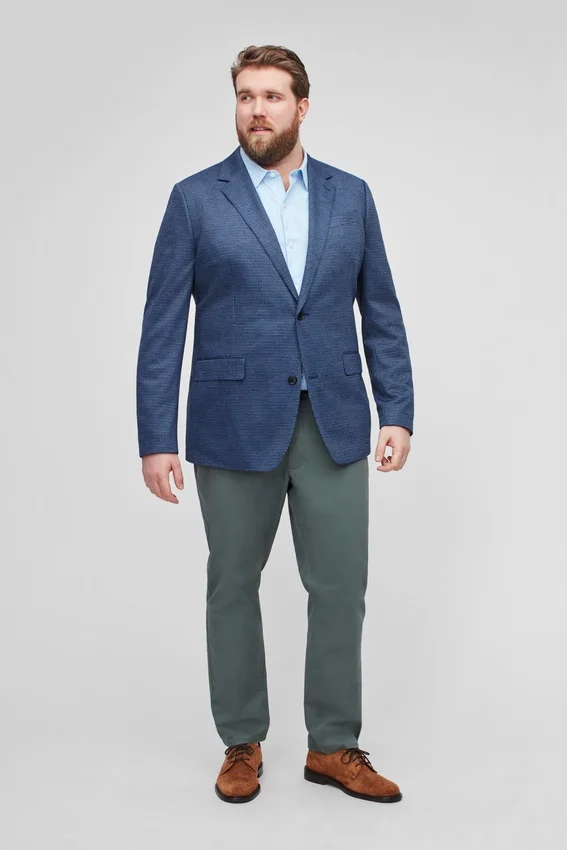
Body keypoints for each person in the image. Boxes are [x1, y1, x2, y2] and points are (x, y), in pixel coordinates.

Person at [136, 44, 414, 804]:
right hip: (231, 422)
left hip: (333, 419)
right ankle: (241, 742)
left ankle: (333, 746)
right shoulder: (196, 199)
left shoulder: (351, 196)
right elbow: (163, 325)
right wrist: (156, 438)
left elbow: (380, 311)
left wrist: (396, 410)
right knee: (232, 583)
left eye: (272, 96)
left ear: (302, 106)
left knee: (340, 587)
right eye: (245, 96)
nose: (256, 110)